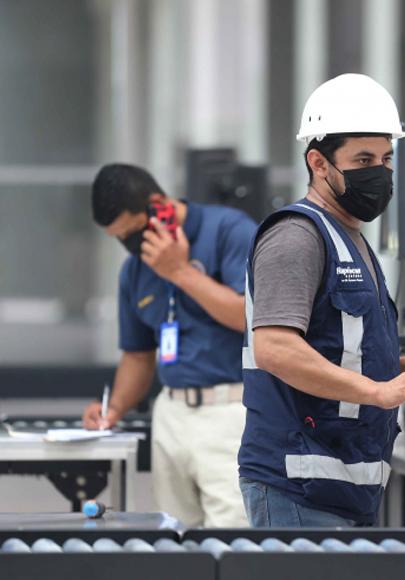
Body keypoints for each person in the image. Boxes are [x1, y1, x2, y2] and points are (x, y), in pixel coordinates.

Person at [237, 74, 405, 527]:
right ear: (319, 162)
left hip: (345, 485)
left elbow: (343, 350)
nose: (380, 173)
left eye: (387, 159)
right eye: (364, 159)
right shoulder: (297, 237)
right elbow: (274, 347)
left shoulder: (349, 238)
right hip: (300, 488)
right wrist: (380, 392)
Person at [83, 163, 256, 527]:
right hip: (171, 413)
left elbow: (253, 318)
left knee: (233, 534)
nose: (131, 246)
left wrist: (179, 272)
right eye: (119, 238)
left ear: (159, 206)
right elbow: (137, 353)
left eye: (132, 233)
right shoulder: (134, 270)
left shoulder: (229, 231)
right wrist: (113, 409)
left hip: (231, 408)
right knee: (174, 538)